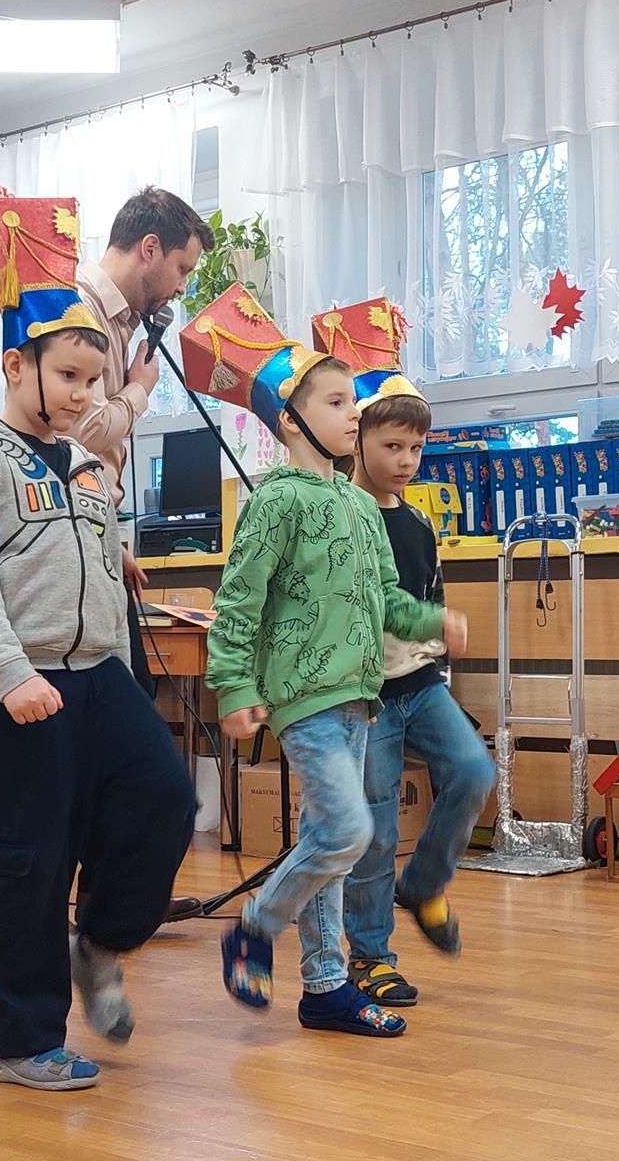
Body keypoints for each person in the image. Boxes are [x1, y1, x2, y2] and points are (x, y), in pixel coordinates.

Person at [0, 196, 195, 1091]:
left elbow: (71, 550)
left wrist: (107, 557)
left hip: (98, 673)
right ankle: (19, 1039)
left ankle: (101, 941)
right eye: (71, 377)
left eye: (94, 378)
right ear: (18, 365)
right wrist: (9, 674)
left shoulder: (82, 461)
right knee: (28, 862)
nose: (86, 395)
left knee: (164, 798)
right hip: (18, 683)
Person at [180, 284, 467, 1038]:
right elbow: (238, 602)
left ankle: (326, 986)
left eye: (352, 402)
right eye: (338, 403)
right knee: (346, 833)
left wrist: (433, 622)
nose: (352, 414)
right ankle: (255, 926)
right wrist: (233, 686)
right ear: (291, 418)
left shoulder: (360, 507)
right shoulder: (275, 501)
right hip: (304, 699)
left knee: (328, 843)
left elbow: (387, 601)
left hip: (358, 699)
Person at [310, 298, 494, 1009]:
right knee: (377, 829)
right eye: (392, 447)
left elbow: (428, 593)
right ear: (357, 442)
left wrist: (440, 650)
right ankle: (370, 956)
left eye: (415, 449)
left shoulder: (418, 522)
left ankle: (425, 884)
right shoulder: (339, 514)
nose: (406, 462)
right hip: (367, 698)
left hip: (420, 685)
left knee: (473, 770)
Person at [72, 187, 214, 924]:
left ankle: (113, 897)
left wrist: (117, 542)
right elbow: (83, 430)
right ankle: (109, 903)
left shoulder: (123, 322)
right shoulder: (80, 309)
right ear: (149, 249)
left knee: (134, 704)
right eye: (182, 269)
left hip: (98, 543)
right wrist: (138, 390)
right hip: (69, 556)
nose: (183, 287)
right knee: (123, 724)